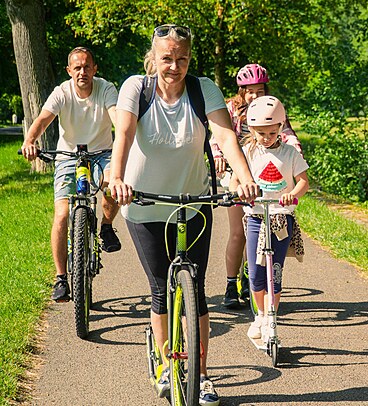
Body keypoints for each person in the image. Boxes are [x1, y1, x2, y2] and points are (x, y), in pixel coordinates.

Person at [108, 24, 258, 405]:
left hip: (193, 202)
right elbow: (123, 135)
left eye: (182, 59)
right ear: (154, 57)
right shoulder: (136, 89)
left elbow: (225, 136)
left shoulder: (202, 88)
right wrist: (117, 178)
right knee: (161, 289)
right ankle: (163, 362)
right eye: (167, 58)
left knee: (196, 289)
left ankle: (202, 375)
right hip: (143, 202)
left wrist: (245, 179)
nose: (174, 66)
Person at [20, 46, 121, 302]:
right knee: (62, 214)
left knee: (112, 182)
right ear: (69, 71)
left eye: (87, 66)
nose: (82, 72)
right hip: (68, 155)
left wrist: (127, 137)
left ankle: (107, 228)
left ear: (95, 69)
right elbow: (43, 119)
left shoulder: (106, 89)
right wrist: (31, 140)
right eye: (77, 67)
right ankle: (61, 278)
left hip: (101, 152)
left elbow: (117, 118)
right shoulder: (62, 92)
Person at [211, 63, 302, 309]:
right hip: (237, 173)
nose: (254, 96)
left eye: (259, 90)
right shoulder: (230, 108)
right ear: (241, 91)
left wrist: (295, 149)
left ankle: (255, 280)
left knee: (265, 232)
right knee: (238, 232)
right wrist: (219, 154)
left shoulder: (272, 107)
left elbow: (287, 132)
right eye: (249, 91)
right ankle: (231, 283)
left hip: (263, 173)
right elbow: (218, 135)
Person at [231, 96, 309, 342]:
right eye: (261, 133)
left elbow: (304, 181)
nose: (266, 138)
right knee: (255, 272)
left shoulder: (290, 153)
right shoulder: (247, 153)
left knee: (274, 270)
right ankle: (260, 315)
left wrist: (291, 195)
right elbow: (235, 179)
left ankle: (272, 315)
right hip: (255, 216)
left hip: (280, 218)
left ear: (280, 128)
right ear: (252, 130)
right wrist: (240, 190)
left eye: (272, 132)